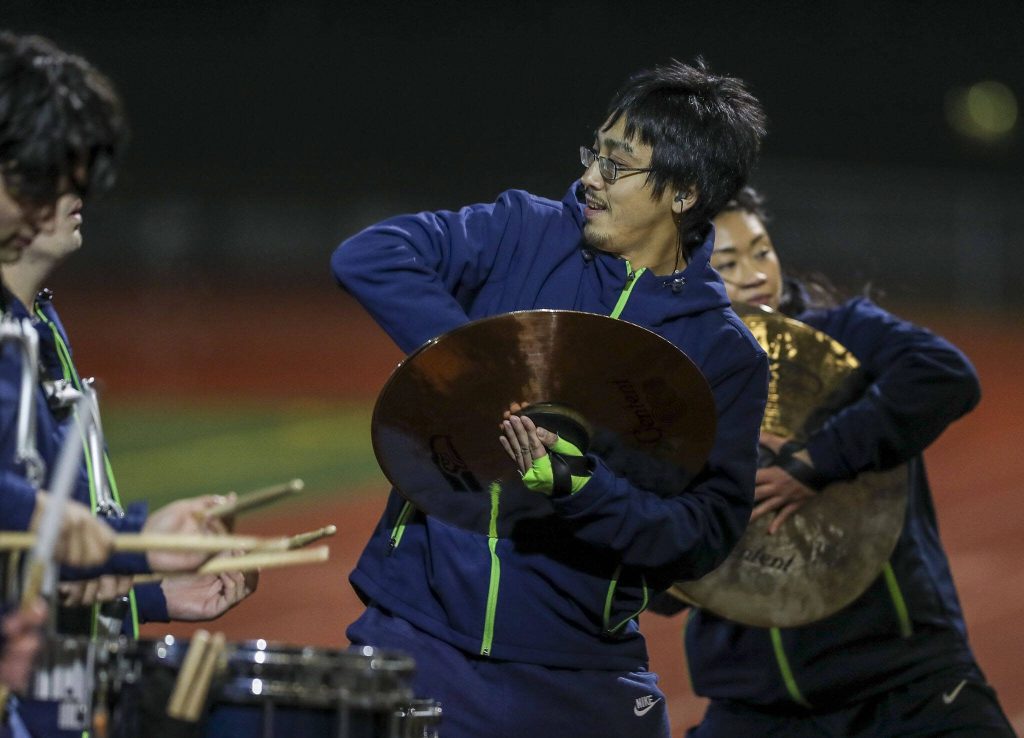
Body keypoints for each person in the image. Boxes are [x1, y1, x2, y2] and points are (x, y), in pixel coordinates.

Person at [331, 59, 769, 738]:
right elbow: (370, 256)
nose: (591, 176)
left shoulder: (721, 351)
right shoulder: (522, 231)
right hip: (417, 638)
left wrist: (581, 488)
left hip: (575, 668)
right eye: (595, 151)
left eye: (617, 166)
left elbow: (703, 535)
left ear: (681, 193)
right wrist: (483, 374)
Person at [671, 186, 1015, 737]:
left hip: (904, 685)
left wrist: (817, 460)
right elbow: (665, 579)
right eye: (729, 262)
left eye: (762, 251)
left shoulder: (848, 332)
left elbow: (946, 376)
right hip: (757, 704)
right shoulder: (677, 387)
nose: (756, 273)